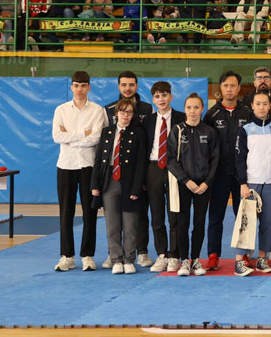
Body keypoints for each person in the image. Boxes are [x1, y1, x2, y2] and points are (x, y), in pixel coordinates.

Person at [52, 71, 108, 272]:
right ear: (71, 87)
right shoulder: (61, 110)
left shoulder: (97, 110)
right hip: (65, 165)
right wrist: (82, 133)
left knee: (90, 211)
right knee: (65, 212)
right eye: (76, 85)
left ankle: (88, 255)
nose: (79, 89)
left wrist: (71, 137)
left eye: (83, 85)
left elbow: (96, 138)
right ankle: (67, 255)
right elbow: (57, 136)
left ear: (89, 87)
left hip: (88, 165)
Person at [203, 71, 254, 271]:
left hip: (242, 175)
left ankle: (245, 254)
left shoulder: (247, 113)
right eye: (226, 86)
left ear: (239, 88)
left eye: (233, 85)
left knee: (243, 216)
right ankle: (213, 255)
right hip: (218, 175)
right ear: (221, 88)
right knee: (215, 216)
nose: (230, 89)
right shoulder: (211, 115)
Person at [91, 98, 148, 275]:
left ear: (133, 115)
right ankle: (116, 258)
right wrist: (95, 184)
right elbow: (99, 160)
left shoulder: (138, 133)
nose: (125, 115)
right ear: (116, 113)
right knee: (112, 224)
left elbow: (141, 163)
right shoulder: (107, 132)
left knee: (130, 225)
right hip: (109, 182)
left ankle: (129, 258)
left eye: (129, 112)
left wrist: (137, 188)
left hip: (129, 183)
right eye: (122, 111)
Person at [166, 93, 219, 277]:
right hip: (183, 184)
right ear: (185, 108)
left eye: (196, 107)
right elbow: (171, 160)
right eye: (189, 107)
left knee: (199, 223)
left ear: (202, 108)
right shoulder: (177, 130)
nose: (193, 111)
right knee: (182, 223)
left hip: (203, 185)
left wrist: (207, 183)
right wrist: (185, 180)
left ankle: (196, 259)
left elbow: (215, 160)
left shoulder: (209, 132)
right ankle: (184, 261)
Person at [233, 90, 271, 277]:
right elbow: (239, 159)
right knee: (246, 221)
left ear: (269, 106)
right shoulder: (245, 130)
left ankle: (262, 258)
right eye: (258, 104)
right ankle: (240, 260)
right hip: (251, 183)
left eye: (265, 103)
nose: (261, 107)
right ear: (252, 106)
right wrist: (242, 183)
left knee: (269, 223)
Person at [142, 82, 187, 273]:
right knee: (157, 215)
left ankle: (174, 254)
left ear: (171, 97)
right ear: (153, 100)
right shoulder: (148, 121)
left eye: (164, 95)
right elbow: (144, 148)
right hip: (153, 168)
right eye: (157, 96)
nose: (161, 99)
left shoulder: (181, 118)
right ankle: (162, 254)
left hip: (174, 168)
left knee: (174, 213)